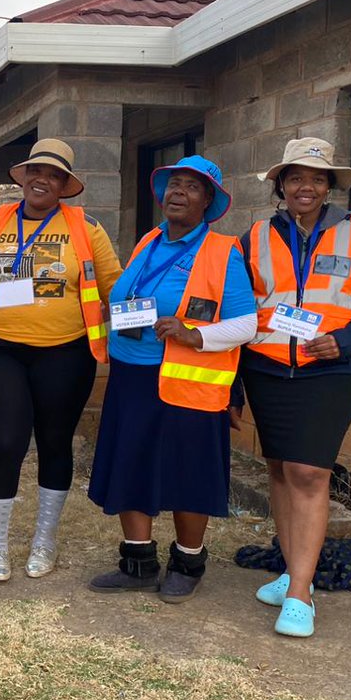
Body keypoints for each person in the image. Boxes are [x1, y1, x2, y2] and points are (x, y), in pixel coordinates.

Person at [240, 138, 351, 637]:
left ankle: (299, 594)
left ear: (329, 186)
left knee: (309, 471)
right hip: (267, 368)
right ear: (281, 186)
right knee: (281, 470)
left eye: (316, 178)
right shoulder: (255, 236)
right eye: (295, 178)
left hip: (332, 369)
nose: (304, 186)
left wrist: (346, 339)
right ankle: (293, 569)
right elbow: (239, 306)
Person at [86, 156, 256, 603]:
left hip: (187, 382)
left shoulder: (224, 253)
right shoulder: (148, 241)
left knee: (188, 473)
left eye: (192, 188)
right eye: (173, 184)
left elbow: (247, 325)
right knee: (131, 464)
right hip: (130, 374)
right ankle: (138, 563)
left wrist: (195, 334)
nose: (179, 192)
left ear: (208, 202)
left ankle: (188, 562)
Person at [0, 139, 122, 582]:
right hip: (2, 351)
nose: (42, 180)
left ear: (64, 185)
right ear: (22, 176)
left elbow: (116, 286)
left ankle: (44, 540)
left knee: (55, 443)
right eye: (36, 170)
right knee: (8, 443)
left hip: (66, 353)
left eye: (54, 175)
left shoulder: (86, 228)